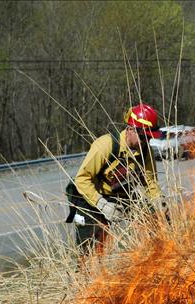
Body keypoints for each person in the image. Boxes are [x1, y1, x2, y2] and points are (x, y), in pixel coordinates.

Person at [66, 103, 166, 255]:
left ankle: (151, 257)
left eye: (149, 138)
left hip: (120, 195)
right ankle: (86, 273)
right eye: (143, 137)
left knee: (153, 218)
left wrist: (159, 201)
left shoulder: (145, 150)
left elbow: (150, 182)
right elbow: (82, 179)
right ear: (130, 129)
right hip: (90, 196)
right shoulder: (106, 145)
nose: (146, 142)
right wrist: (102, 204)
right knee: (95, 244)